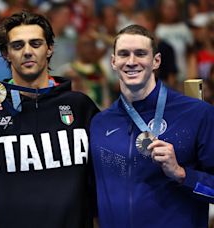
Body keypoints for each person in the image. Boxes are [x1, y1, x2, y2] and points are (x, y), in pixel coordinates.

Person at [0, 11, 99, 227]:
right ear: (6, 53)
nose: (27, 52)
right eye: (17, 45)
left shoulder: (81, 107)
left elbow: (99, 186)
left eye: (35, 43)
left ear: (49, 48)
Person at [90, 24, 214, 228]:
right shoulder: (100, 123)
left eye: (140, 54)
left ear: (156, 61)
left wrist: (182, 174)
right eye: (123, 54)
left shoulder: (197, 114)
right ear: (113, 61)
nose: (131, 62)